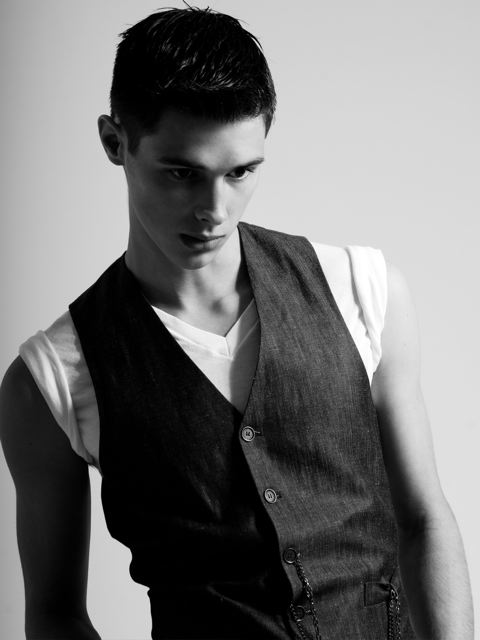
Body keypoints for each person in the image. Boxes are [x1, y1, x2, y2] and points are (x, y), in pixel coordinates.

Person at [0, 6, 474, 640]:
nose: (214, 210)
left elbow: (423, 520)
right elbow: (55, 615)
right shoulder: (52, 377)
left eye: (240, 172)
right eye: (182, 173)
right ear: (114, 142)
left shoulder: (362, 289)